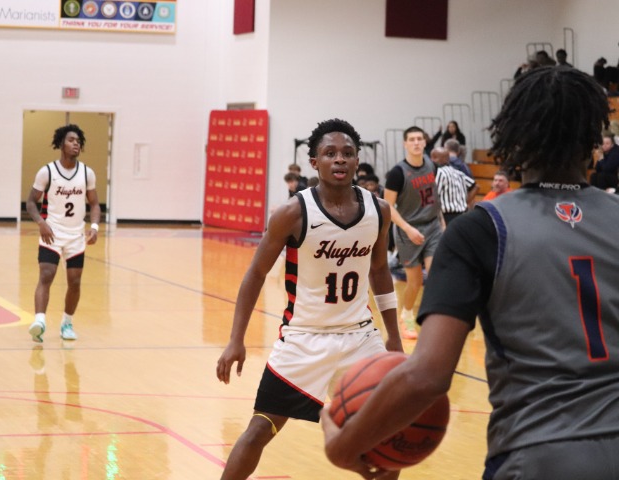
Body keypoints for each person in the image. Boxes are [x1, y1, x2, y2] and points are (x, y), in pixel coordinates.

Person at [321, 66, 619, 480]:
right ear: (594, 140)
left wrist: (344, 446)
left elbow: (427, 377)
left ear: (515, 137)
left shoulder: (482, 228)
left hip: (538, 453)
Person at [216, 118, 403, 480]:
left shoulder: (378, 210)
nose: (340, 159)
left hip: (360, 338)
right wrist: (236, 339)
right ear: (314, 162)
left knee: (388, 436)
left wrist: (393, 335)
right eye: (330, 153)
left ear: (357, 160)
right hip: (303, 338)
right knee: (259, 430)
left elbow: (380, 271)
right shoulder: (292, 212)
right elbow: (255, 274)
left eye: (347, 153)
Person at [27, 124, 101, 343]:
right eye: (71, 140)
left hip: (76, 236)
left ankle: (67, 323)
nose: (75, 143)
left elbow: (94, 204)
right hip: (52, 232)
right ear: (61, 144)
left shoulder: (87, 173)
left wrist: (94, 227)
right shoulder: (47, 172)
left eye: (78, 141)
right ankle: (39, 322)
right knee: (46, 274)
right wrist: (41, 223)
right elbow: (30, 202)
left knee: (75, 282)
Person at [383, 126, 444, 340]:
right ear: (405, 144)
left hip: (432, 227)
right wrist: (408, 229)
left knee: (437, 275)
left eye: (419, 139)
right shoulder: (397, 173)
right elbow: (388, 207)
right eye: (412, 139)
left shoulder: (432, 165)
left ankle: (432, 319)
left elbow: (434, 198)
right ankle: (406, 316)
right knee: (415, 282)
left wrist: (442, 223)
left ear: (425, 142)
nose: (416, 142)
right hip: (408, 229)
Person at [430, 147, 477, 225]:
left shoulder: (439, 173)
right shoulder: (458, 173)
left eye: (434, 157)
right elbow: (475, 186)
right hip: (462, 214)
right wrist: (465, 202)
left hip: (447, 216)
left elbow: (433, 195)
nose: (431, 160)